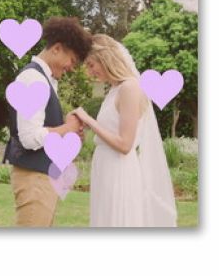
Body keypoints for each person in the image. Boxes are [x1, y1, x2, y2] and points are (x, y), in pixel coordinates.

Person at [72, 34, 177, 227]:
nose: (89, 72)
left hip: (118, 171)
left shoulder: (130, 87)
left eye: (91, 64)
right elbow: (111, 130)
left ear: (106, 59)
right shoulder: (114, 90)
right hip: (105, 168)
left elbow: (125, 144)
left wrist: (89, 119)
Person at [3, 17, 92, 227]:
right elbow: (29, 138)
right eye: (71, 60)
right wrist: (67, 127)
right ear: (57, 49)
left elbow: (45, 129)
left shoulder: (45, 79)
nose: (71, 68)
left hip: (43, 178)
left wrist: (68, 132)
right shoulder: (33, 79)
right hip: (34, 179)